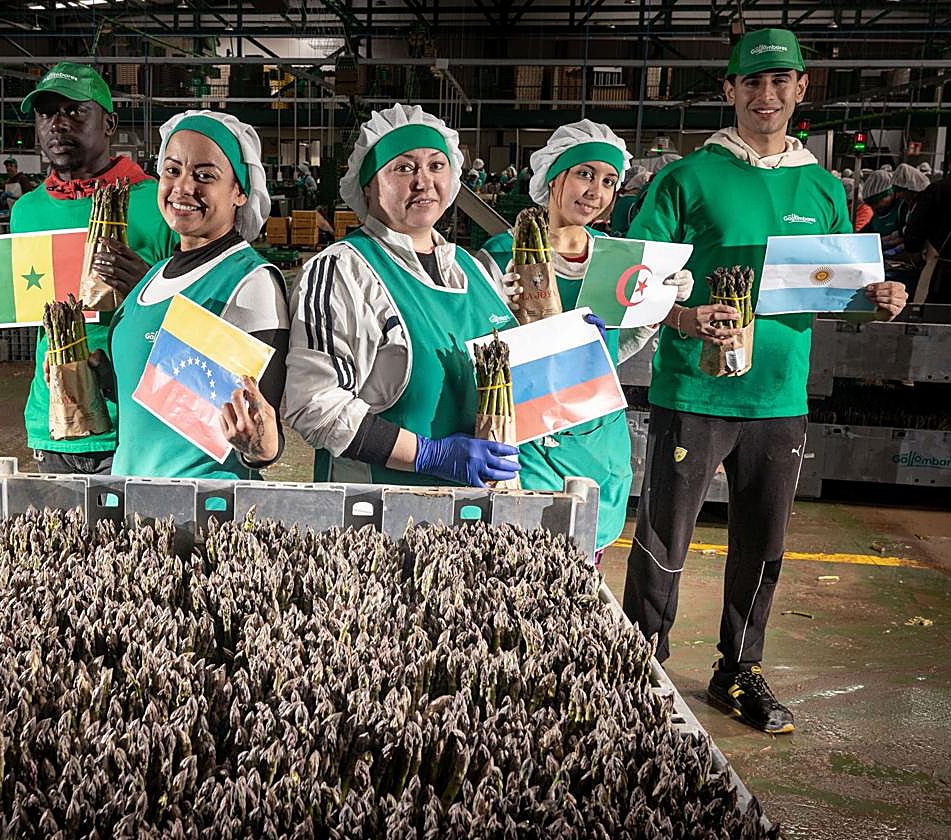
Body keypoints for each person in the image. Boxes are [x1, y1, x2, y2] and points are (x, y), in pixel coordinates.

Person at [620, 29, 908, 735]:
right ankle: (638, 670)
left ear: (802, 89)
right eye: (752, 82)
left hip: (779, 395)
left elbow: (835, 283)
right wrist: (685, 318)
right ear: (729, 91)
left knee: (764, 542)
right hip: (693, 392)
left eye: (781, 82)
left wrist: (877, 294)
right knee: (664, 538)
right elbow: (630, 284)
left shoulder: (822, 186)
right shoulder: (686, 179)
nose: (766, 95)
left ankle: (738, 670)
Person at [0, 62, 175, 475]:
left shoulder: (157, 204)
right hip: (52, 419)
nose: (58, 124)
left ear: (109, 123)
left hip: (136, 419)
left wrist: (149, 286)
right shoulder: (28, 211)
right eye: (47, 113)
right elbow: (20, 310)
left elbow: (196, 313)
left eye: (74, 111)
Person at [475, 121, 692, 554]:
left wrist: (656, 308)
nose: (596, 190)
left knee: (583, 573)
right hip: (525, 434)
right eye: (584, 174)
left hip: (595, 438)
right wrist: (497, 309)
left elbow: (620, 348)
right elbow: (478, 351)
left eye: (609, 180)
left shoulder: (618, 257)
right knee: (519, 562)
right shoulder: (499, 255)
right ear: (554, 176)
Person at [285, 103, 521, 488]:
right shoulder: (345, 270)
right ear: (368, 185)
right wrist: (430, 455)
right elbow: (314, 404)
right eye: (404, 167)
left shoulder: (472, 269)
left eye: (435, 166)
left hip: (476, 517)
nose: (423, 181)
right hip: (377, 520)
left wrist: (571, 349)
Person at [105, 110, 286, 478]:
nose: (184, 187)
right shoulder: (151, 276)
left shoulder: (248, 283)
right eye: (172, 171)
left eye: (204, 176)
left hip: (206, 509)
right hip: (134, 499)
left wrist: (258, 443)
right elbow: (149, 405)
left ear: (239, 192)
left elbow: (265, 436)